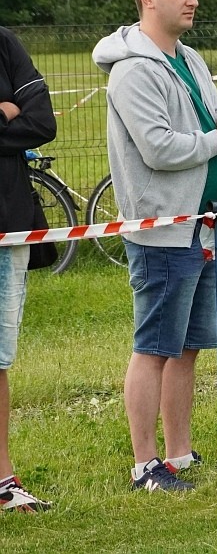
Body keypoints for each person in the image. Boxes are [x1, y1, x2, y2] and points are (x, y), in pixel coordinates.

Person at [93, 0, 217, 491]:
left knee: (186, 347)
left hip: (202, 222)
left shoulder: (191, 58)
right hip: (162, 228)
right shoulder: (133, 73)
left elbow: (212, 109)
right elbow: (159, 149)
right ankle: (145, 465)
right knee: (154, 347)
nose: (194, 0)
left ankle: (179, 455)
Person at [0, 27, 55, 512]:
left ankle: (2, 481)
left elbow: (41, 122)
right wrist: (4, 112)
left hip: (7, 226)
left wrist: (17, 111)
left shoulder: (5, 43)